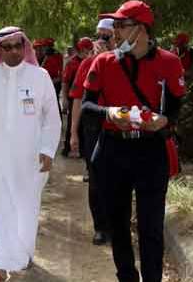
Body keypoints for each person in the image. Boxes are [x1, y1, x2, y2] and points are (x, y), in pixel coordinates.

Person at [83, 0, 185, 282]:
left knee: (151, 226)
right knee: (118, 223)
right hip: (113, 150)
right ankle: (126, 276)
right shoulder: (103, 62)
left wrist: (164, 121)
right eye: (113, 25)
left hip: (150, 152)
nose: (113, 32)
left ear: (141, 29)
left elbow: (175, 107)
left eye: (120, 25)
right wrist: (109, 112)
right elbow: (88, 108)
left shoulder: (169, 62)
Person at [0, 27, 61, 281]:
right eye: (7, 47)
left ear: (25, 46)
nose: (13, 51)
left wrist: (47, 149)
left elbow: (51, 118)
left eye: (18, 45)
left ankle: (21, 255)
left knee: (26, 207)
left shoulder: (40, 76)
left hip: (29, 156)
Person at [69, 19, 115, 246]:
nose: (101, 41)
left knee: (118, 179)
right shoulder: (87, 65)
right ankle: (100, 226)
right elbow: (78, 99)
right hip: (93, 129)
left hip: (119, 127)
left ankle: (116, 224)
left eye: (106, 36)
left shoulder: (126, 62)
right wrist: (73, 134)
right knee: (96, 178)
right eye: (99, 35)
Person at [61, 37, 93, 157]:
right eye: (86, 50)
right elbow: (65, 82)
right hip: (74, 98)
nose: (88, 53)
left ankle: (84, 150)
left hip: (88, 98)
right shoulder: (71, 63)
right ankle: (68, 149)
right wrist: (64, 99)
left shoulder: (92, 61)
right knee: (72, 122)